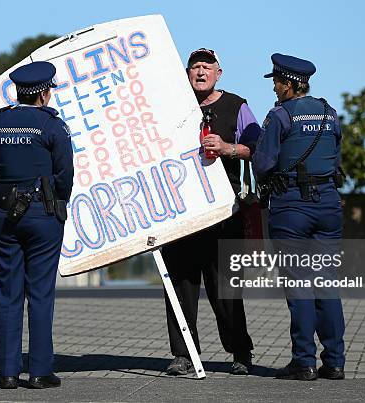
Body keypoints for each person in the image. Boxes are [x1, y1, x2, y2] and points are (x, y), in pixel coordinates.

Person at [162, 48, 261, 376]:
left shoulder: (237, 105)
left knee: (226, 289)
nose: (200, 72)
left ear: (219, 73)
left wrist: (228, 148)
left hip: (224, 214)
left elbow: (257, 148)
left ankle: (240, 352)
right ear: (186, 74)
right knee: (179, 285)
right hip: (180, 213)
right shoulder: (172, 104)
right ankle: (183, 354)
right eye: (194, 67)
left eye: (206, 67)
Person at [252, 53, 346, 381]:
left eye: (277, 83)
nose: (275, 89)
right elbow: (334, 161)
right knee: (326, 284)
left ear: (289, 85)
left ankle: (303, 362)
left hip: (292, 208)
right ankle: (334, 362)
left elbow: (263, 163)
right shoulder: (330, 114)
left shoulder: (280, 116)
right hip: (329, 206)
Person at [0, 61, 74, 389]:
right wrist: (55, 201)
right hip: (42, 213)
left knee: (8, 294)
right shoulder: (51, 126)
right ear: (44, 95)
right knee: (40, 293)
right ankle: (39, 372)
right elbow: (65, 174)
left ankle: (7, 372)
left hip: (5, 214)